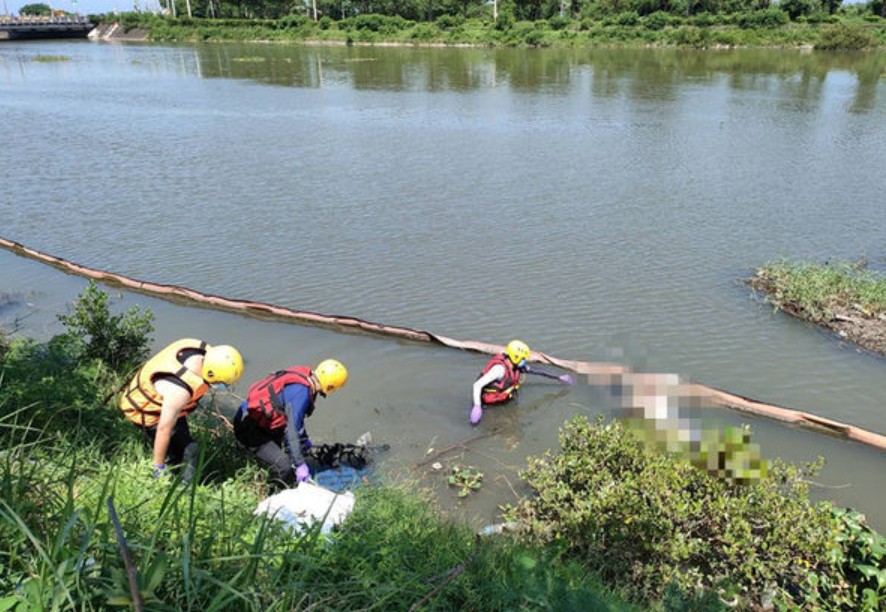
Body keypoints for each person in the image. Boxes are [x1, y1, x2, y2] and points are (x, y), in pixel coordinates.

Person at [119, 339, 244, 481]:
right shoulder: (179, 392)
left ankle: (174, 466)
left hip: (167, 404)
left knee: (181, 447)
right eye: (221, 383)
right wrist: (157, 467)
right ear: (210, 373)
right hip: (147, 411)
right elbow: (163, 429)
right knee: (190, 449)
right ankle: (185, 489)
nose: (222, 387)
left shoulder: (204, 354)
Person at [233, 359, 351, 485]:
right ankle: (271, 492)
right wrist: (300, 464)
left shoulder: (306, 377)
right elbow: (292, 430)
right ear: (330, 386)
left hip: (251, 417)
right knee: (284, 465)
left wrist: (304, 439)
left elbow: (295, 418)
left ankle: (267, 472)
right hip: (248, 428)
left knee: (289, 451)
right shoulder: (301, 393)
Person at [470, 339, 573, 425]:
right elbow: (477, 385)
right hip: (489, 404)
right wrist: (477, 406)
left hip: (504, 399)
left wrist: (558, 377)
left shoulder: (517, 366)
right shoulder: (499, 370)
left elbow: (538, 372)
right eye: (522, 358)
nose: (524, 360)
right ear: (515, 357)